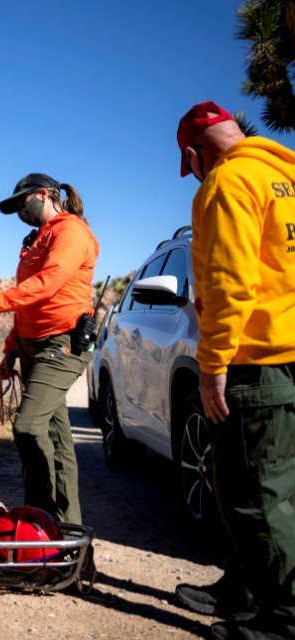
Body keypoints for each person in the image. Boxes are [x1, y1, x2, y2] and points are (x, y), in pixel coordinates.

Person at [171, 101, 295, 640]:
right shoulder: (281, 177)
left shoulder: (226, 184)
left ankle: (284, 620)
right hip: (286, 356)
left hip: (255, 362)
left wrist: (212, 364)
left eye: (189, 162)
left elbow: (227, 284)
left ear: (196, 153)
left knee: (255, 499)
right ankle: (244, 589)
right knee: (259, 489)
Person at [0, 174, 98, 525]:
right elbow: (28, 301)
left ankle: (43, 519)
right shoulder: (37, 238)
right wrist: (11, 349)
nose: (19, 211)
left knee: (28, 426)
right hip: (31, 346)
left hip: (59, 345)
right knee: (55, 438)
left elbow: (46, 285)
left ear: (43, 194)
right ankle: (62, 530)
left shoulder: (71, 232)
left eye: (21, 202)